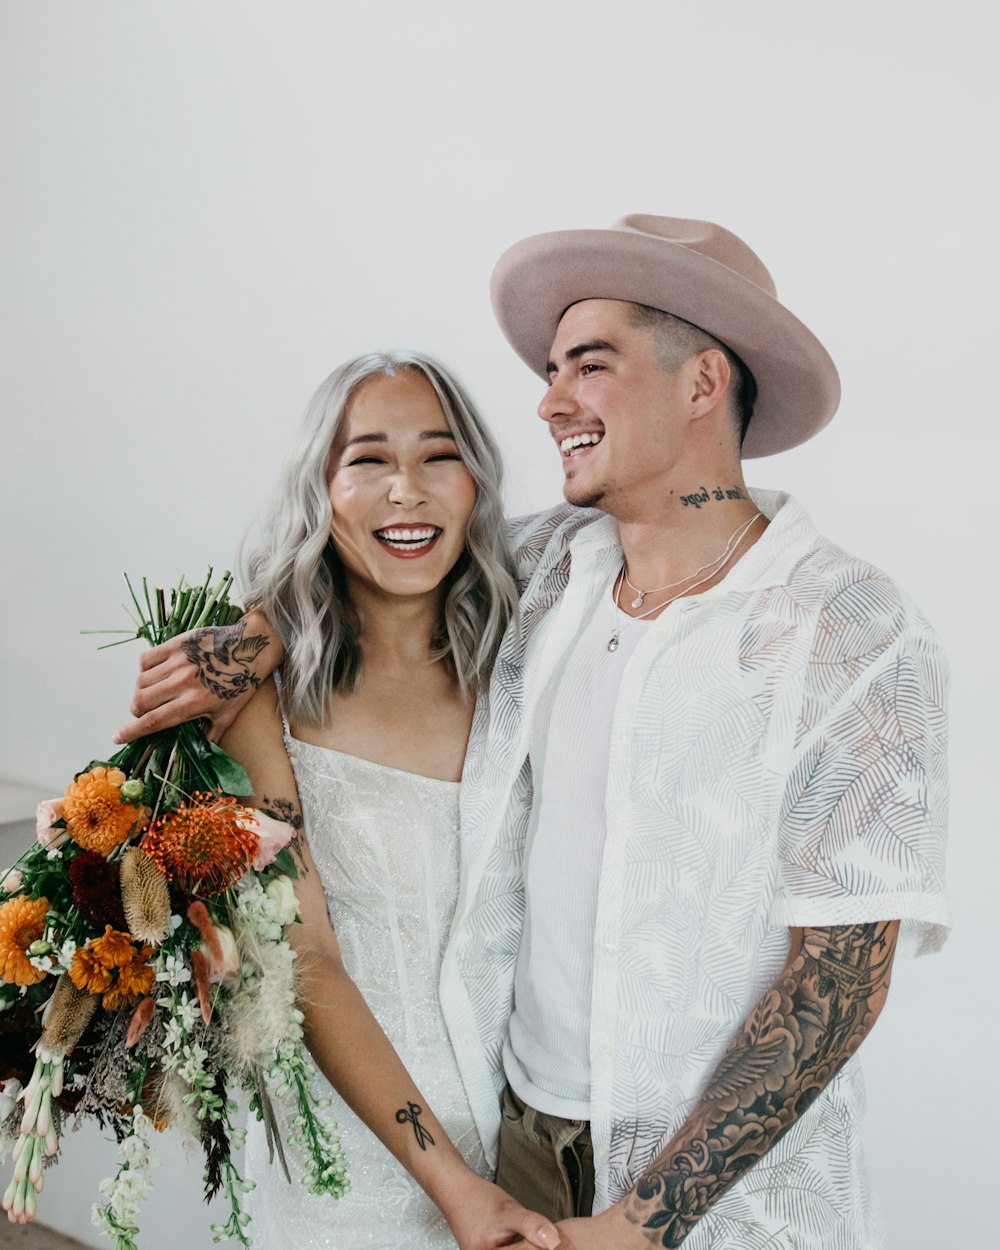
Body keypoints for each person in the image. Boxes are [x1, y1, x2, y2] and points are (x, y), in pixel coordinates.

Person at [118, 217, 949, 1249]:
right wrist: (244, 646)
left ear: (702, 382)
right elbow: (374, 553)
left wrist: (647, 1218)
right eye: (550, 370)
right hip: (519, 1142)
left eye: (588, 365)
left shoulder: (849, 629)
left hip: (726, 1198)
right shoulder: (549, 569)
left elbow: (838, 975)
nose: (550, 401)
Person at [177, 351, 558, 1250]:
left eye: (438, 455)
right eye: (369, 460)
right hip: (357, 1164)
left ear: (477, 482)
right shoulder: (259, 701)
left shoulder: (530, 659)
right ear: (323, 488)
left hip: (539, 1142)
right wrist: (452, 1183)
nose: (407, 492)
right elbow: (307, 960)